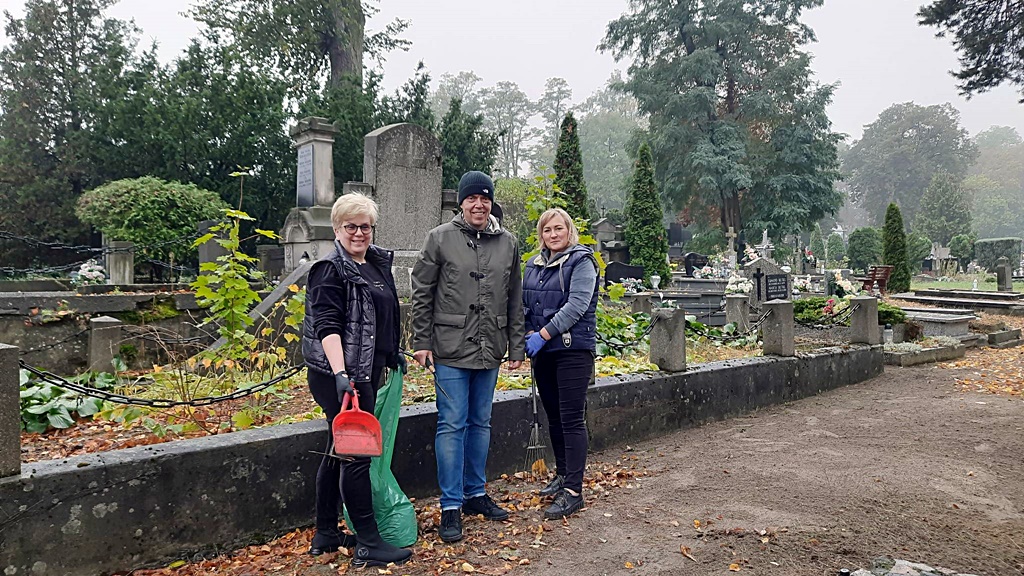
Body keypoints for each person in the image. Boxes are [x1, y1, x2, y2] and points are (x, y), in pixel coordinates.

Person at [411, 170, 526, 543]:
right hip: (449, 347)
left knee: (481, 422)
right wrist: (421, 341)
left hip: (490, 346)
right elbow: (422, 291)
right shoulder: (440, 238)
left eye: (485, 198)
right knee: (452, 423)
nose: (479, 204)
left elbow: (514, 297)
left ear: (492, 202)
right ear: (461, 202)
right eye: (471, 198)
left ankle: (475, 494)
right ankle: (450, 505)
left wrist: (516, 345)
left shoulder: (507, 242)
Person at [301, 193, 413, 567]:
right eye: (351, 226)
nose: (359, 233)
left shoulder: (376, 263)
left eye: (365, 226)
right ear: (336, 228)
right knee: (356, 456)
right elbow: (327, 327)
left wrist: (391, 350)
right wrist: (340, 374)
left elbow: (379, 318)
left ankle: (326, 533)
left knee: (338, 449)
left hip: (367, 369)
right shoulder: (330, 269)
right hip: (343, 376)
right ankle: (368, 542)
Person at [522, 208, 599, 520]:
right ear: (541, 235)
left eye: (558, 229)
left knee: (570, 418)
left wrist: (543, 333)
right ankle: (563, 475)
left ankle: (574, 490)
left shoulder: (582, 262)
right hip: (544, 352)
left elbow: (577, 305)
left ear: (569, 231)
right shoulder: (534, 264)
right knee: (553, 417)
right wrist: (526, 333)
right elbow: (525, 303)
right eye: (547, 230)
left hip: (572, 350)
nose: (553, 235)